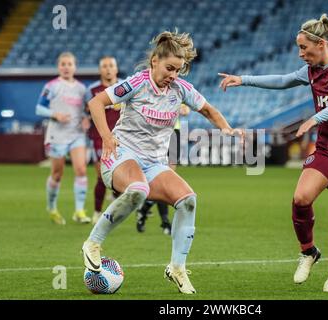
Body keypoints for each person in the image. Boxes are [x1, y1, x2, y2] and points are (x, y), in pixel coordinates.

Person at [219, 14, 328, 292]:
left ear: (320, 44)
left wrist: (313, 120)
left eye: (304, 47)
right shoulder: (311, 71)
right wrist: (242, 79)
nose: (300, 53)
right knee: (301, 198)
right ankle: (308, 252)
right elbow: (282, 80)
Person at [81, 30, 243, 294]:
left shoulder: (180, 89)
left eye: (178, 70)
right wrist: (107, 138)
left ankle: (177, 267)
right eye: (169, 68)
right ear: (155, 61)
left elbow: (208, 110)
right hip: (122, 157)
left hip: (155, 163)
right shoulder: (136, 83)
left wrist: (227, 130)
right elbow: (96, 102)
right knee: (138, 190)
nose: (173, 75)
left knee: (188, 199)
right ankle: (93, 243)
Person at [36, 52, 91, 225]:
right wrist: (54, 114)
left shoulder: (82, 89)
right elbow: (39, 108)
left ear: (75, 66)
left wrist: (85, 118)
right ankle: (52, 208)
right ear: (58, 66)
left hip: (76, 135)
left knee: (81, 170)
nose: (66, 67)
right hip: (56, 135)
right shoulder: (51, 86)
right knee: (57, 174)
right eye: (63, 64)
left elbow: (87, 110)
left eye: (69, 64)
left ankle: (79, 211)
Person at [136, 103, 191, 235]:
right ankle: (165, 221)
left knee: (168, 179)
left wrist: (183, 109)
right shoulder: (152, 89)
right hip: (156, 134)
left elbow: (186, 110)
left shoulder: (176, 89)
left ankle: (144, 209)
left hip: (174, 134)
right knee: (162, 180)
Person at [85, 56, 123, 224]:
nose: (108, 69)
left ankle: (114, 209)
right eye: (105, 66)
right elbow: (86, 111)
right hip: (99, 138)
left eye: (111, 66)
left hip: (123, 138)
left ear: (116, 69)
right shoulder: (93, 90)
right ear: (100, 70)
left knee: (120, 178)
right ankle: (97, 212)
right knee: (101, 176)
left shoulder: (125, 86)